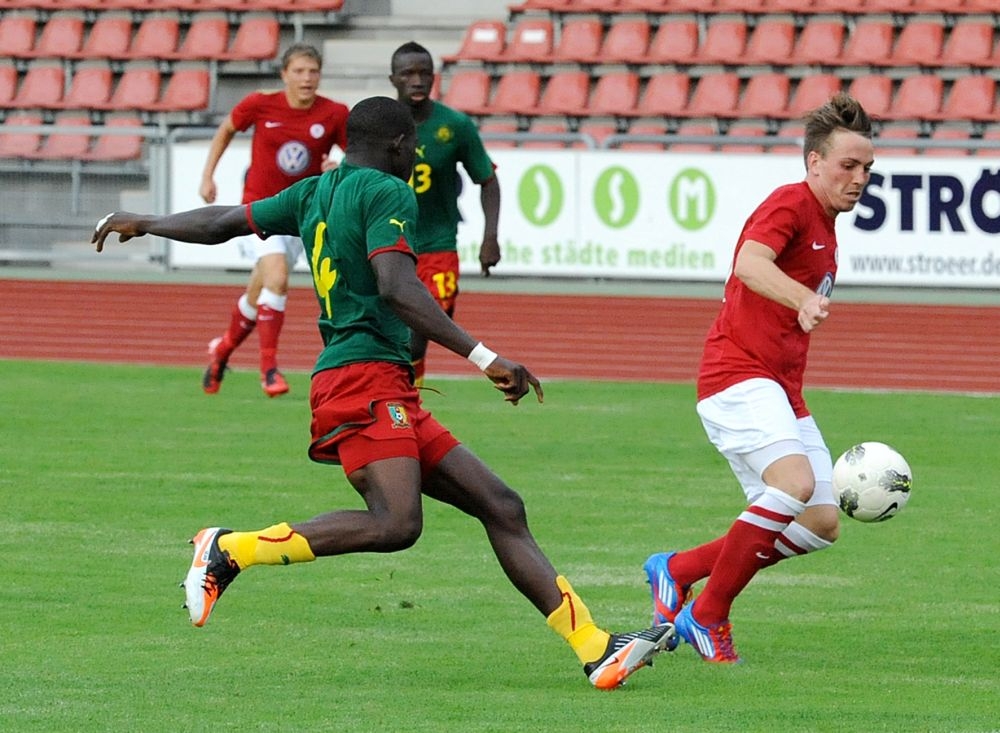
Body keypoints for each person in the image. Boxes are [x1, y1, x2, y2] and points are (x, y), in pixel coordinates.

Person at [93, 96, 675, 690]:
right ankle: (232, 548)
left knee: (501, 505)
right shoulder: (389, 191)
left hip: (382, 381)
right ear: (399, 145)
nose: (417, 154)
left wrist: (147, 222)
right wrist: (485, 356)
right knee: (397, 524)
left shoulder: (313, 191)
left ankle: (595, 647)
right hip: (361, 379)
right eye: (413, 146)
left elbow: (222, 223)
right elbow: (397, 287)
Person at [642, 93, 875, 663]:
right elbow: (748, 262)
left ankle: (680, 569)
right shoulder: (791, 202)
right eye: (848, 165)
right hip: (737, 374)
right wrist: (802, 299)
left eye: (867, 168)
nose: (860, 178)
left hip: (781, 388)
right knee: (793, 484)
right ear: (814, 161)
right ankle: (708, 614)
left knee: (820, 522)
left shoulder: (827, 225)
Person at [199, 43, 349, 397]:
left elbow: (355, 155)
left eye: (313, 71)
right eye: (299, 71)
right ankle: (268, 370)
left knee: (262, 289)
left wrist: (339, 166)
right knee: (278, 278)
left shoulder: (335, 113)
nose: (306, 78)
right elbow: (226, 129)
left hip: (301, 214)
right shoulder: (259, 104)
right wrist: (208, 176)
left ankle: (222, 351)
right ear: (284, 75)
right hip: (260, 208)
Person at [389, 41, 501, 387]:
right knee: (392, 339)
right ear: (392, 79)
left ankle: (407, 405)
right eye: (408, 74)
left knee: (418, 335)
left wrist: (490, 237)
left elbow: (488, 180)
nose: (417, 80)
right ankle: (404, 405)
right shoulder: (379, 125)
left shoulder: (455, 125)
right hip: (389, 244)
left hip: (437, 247)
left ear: (434, 77)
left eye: (424, 73)